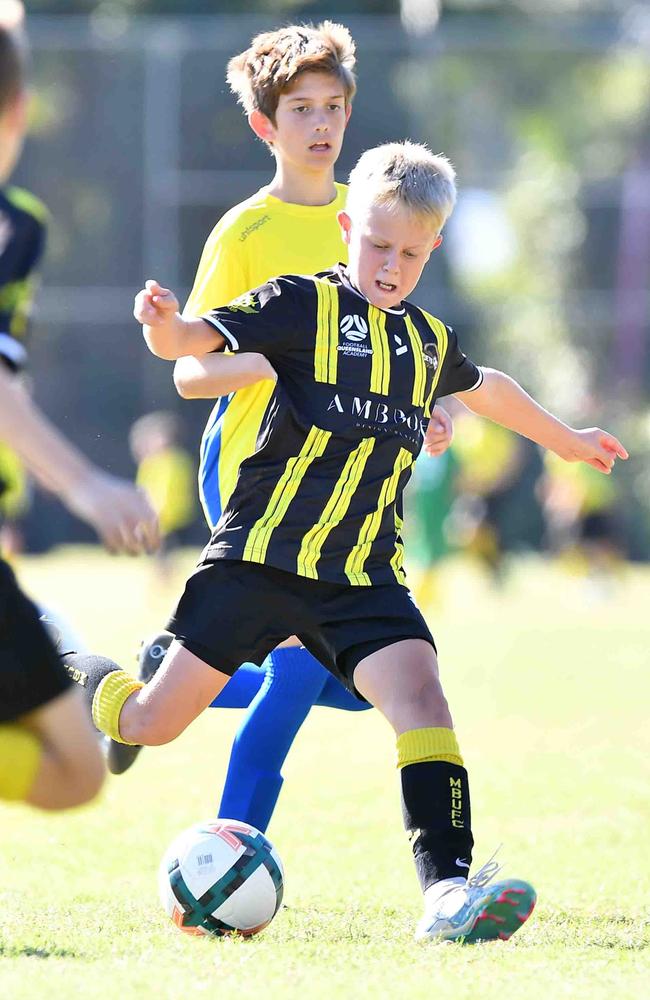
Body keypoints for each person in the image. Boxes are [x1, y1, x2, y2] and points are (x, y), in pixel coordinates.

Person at [66, 140, 627, 941]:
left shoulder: (429, 342)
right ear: (346, 227)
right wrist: (164, 326)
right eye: (378, 245)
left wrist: (565, 438)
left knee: (422, 699)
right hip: (258, 562)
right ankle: (76, 676)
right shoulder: (301, 305)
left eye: (409, 251)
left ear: (432, 248)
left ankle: (447, 896)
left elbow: (489, 388)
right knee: (151, 724)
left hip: (362, 577)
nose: (391, 265)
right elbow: (194, 343)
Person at [106, 22, 453, 831]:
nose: (322, 124)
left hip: (345, 479)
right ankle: (234, 849)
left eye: (334, 106)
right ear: (267, 126)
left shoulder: (372, 215)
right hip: (256, 469)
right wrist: (285, 360)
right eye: (301, 109)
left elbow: (393, 346)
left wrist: (425, 403)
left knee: (348, 686)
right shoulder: (248, 232)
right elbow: (190, 372)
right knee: (302, 669)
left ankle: (169, 680)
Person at [0, 1, 159, 810]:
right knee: (71, 772)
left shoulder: (18, 229)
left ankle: (68, 664)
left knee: (75, 773)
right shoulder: (14, 227)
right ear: (23, 110)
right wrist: (84, 485)